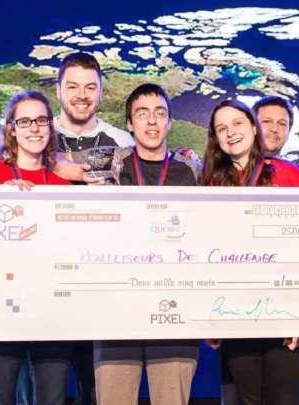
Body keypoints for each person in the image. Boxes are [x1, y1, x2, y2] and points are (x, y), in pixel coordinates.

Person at [78, 83, 201, 405]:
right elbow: (49, 158)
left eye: (160, 113)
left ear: (169, 122)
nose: (152, 121)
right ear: (129, 124)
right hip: (117, 308)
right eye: (142, 114)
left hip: (175, 310)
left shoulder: (191, 170)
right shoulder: (106, 160)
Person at [201, 99, 299, 405]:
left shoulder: (288, 175)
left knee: (283, 399)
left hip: (285, 310)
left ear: (253, 127)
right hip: (234, 311)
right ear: (216, 139)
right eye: (221, 128)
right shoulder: (211, 184)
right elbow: (204, 254)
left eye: (237, 123)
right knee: (248, 399)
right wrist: (210, 318)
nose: (230, 132)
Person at [0, 91, 73, 405]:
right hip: (1, 312)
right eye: (25, 121)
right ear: (11, 129)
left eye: (41, 120)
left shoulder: (63, 184)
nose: (35, 128)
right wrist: (2, 199)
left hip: (51, 312)